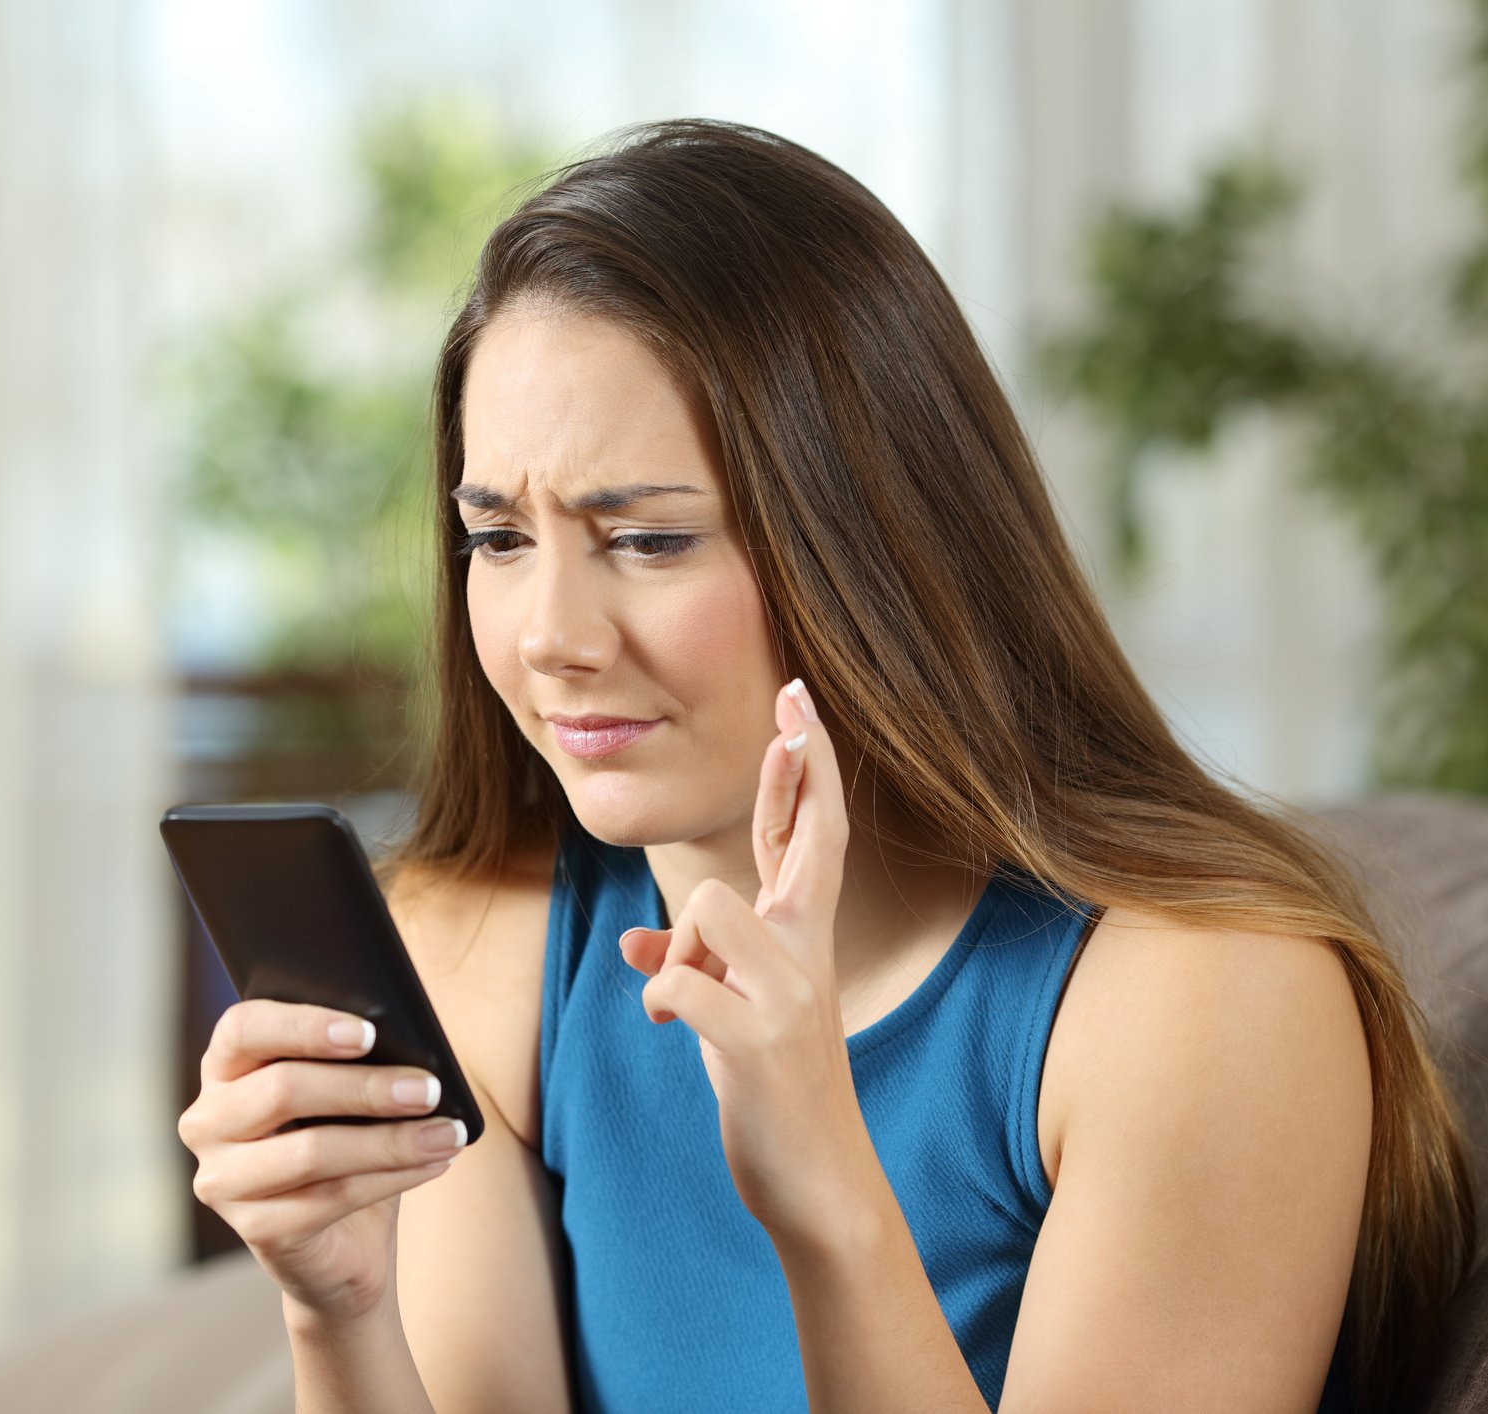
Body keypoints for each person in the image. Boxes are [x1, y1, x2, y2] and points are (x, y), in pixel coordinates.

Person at [174, 117, 1477, 1412]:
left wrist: (825, 1192)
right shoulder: (479, 945)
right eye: (499, 539)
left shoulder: (1206, 1000)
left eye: (646, 540)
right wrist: (334, 1309)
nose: (552, 639)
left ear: (869, 543)